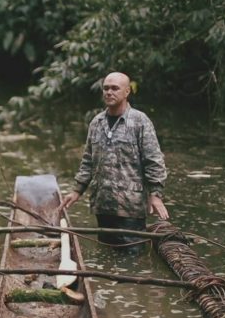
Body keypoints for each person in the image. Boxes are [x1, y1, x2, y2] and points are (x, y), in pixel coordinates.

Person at [59, 72, 169, 249]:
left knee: (132, 258)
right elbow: (88, 161)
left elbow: (154, 160)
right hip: (103, 204)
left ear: (127, 92)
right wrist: (77, 190)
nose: (109, 92)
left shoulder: (140, 121)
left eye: (115, 88)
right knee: (106, 253)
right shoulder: (97, 122)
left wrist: (155, 195)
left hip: (130, 207)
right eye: (106, 88)